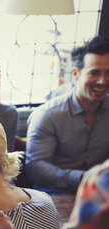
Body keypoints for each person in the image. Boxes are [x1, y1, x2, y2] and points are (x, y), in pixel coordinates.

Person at [25, 35, 109, 192]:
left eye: (108, 73)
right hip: (53, 196)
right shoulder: (47, 114)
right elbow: (35, 167)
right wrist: (82, 178)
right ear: (76, 74)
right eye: (94, 73)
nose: (103, 81)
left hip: (100, 195)